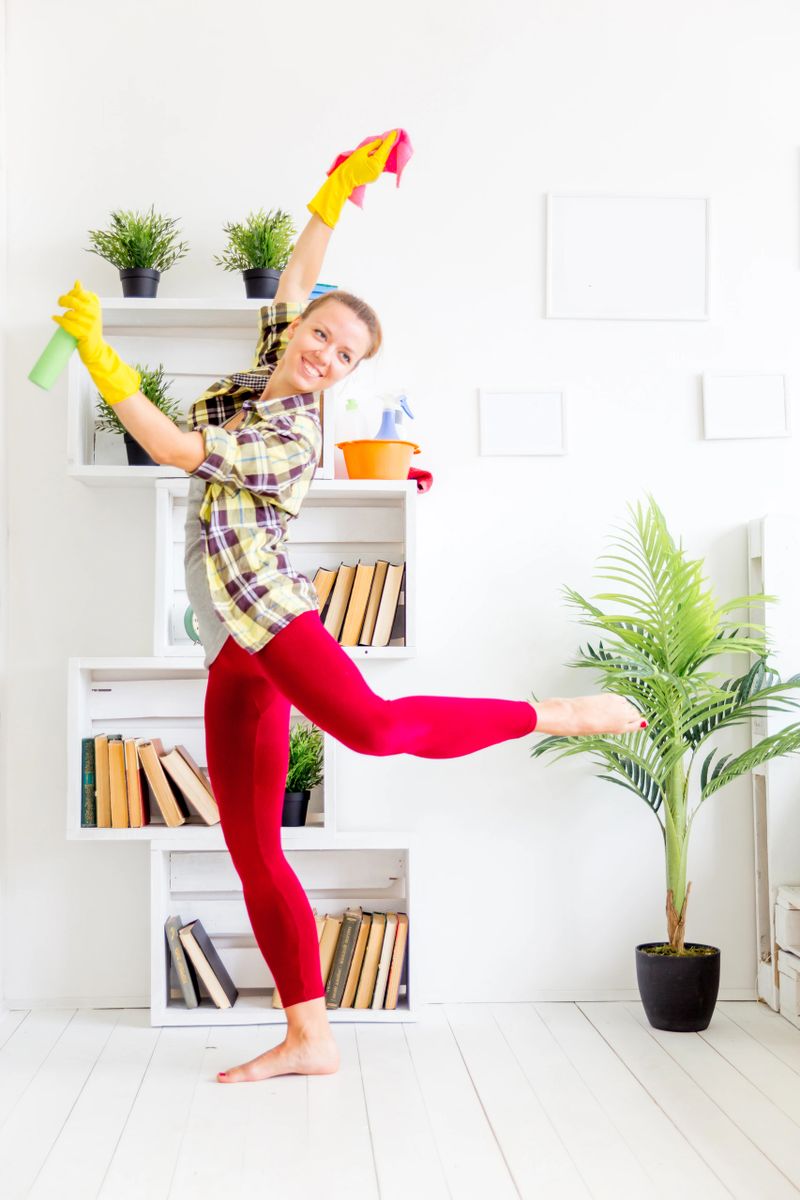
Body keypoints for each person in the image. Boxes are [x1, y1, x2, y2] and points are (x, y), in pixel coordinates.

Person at [54, 130, 645, 1084]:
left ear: (351, 373)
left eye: (348, 352)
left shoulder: (287, 435)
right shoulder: (261, 370)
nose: (328, 352)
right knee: (252, 851)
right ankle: (309, 1037)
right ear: (298, 333)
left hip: (276, 618)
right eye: (323, 334)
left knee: (369, 728)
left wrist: (101, 356)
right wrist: (336, 190)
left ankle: (561, 713)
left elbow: (169, 449)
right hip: (229, 647)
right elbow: (299, 274)